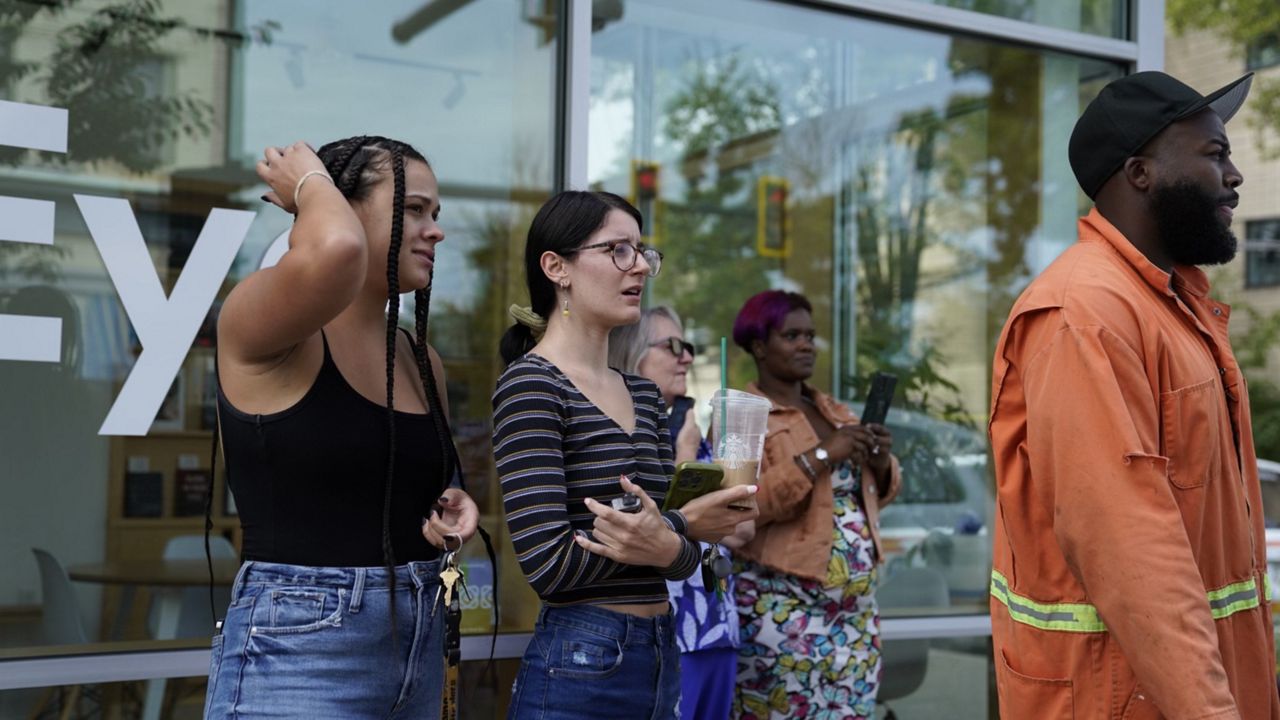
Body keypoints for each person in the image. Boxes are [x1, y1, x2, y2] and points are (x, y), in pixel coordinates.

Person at [989, 71, 1279, 718]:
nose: (1234, 176)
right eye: (1213, 153)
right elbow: (1129, 549)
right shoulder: (1084, 312)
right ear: (1140, 172)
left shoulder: (1171, 308)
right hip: (1119, 697)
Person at [205, 136, 479, 719]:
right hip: (300, 649)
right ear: (341, 206)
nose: (436, 231)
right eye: (413, 209)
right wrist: (308, 183)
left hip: (418, 637)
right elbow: (335, 249)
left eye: (437, 215)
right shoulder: (266, 323)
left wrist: (448, 508)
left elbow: (389, 484)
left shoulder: (417, 357)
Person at [493, 192, 757, 720]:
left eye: (641, 251)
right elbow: (549, 567)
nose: (638, 265)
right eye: (617, 249)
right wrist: (679, 526)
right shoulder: (531, 384)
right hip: (580, 658)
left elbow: (682, 560)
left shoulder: (643, 395)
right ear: (557, 267)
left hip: (661, 649)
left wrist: (674, 536)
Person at [730, 290, 899, 720]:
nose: (807, 345)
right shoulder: (741, 416)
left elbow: (880, 492)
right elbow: (740, 508)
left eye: (811, 335)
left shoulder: (832, 408)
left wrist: (879, 458)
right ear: (759, 345)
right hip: (783, 611)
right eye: (792, 335)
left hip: (854, 616)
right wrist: (822, 455)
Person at [609, 306, 753, 720]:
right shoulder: (624, 432)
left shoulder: (699, 432)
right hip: (667, 633)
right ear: (632, 353)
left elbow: (743, 530)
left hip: (716, 627)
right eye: (672, 346)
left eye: (688, 347)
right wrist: (685, 455)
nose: (686, 357)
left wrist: (734, 454)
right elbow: (645, 528)